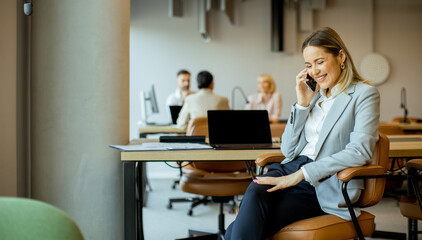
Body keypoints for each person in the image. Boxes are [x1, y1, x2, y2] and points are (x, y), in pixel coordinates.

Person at [225, 27, 380, 240]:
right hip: (288, 168)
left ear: (341, 57)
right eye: (309, 65)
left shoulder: (363, 94)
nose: (314, 71)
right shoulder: (314, 96)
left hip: (322, 181)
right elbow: (287, 149)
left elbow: (359, 151)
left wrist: (301, 175)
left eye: (320, 61)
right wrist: (302, 104)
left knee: (236, 229)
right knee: (255, 190)